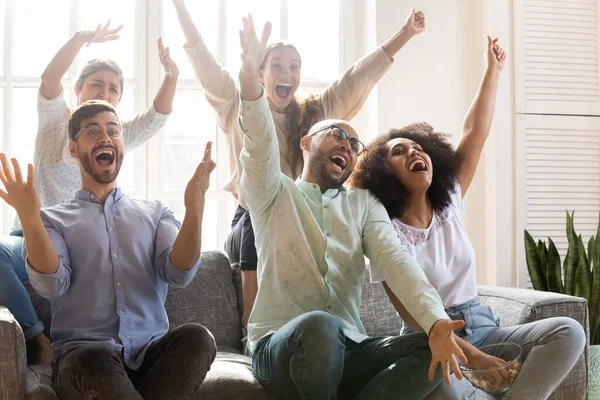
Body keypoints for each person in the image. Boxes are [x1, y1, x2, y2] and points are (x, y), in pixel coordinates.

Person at [236, 15, 469, 400]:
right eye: (338, 134)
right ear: (307, 143)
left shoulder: (363, 205)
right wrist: (249, 84)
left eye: (354, 144)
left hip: (349, 346)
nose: (347, 145)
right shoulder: (272, 192)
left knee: (434, 348)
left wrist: (435, 322)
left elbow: (396, 260)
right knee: (320, 326)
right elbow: (258, 144)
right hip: (278, 345)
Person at [350, 37, 586, 400]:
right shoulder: (384, 231)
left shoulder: (449, 202)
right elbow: (413, 315)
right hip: (430, 338)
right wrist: (469, 356)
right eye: (400, 151)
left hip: (482, 325)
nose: (414, 151)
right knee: (445, 387)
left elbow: (474, 132)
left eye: (418, 147)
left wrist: (493, 71)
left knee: (569, 331)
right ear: (384, 172)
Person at [172, 0, 427, 326]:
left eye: (294, 66)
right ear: (261, 72)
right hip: (249, 219)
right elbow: (203, 61)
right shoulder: (237, 103)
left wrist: (406, 33)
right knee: (254, 218)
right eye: (276, 65)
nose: (286, 73)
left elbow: (356, 79)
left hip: (301, 221)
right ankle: (253, 328)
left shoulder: (314, 117)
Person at [0, 100, 217, 400]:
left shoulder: (155, 213)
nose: (105, 138)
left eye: (113, 131)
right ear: (73, 150)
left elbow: (178, 273)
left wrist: (195, 211)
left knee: (198, 338)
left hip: (149, 358)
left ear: (122, 144)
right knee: (94, 357)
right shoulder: (52, 219)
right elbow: (52, 282)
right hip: (83, 361)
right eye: (93, 132)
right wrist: (29, 216)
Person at [0, 20, 178, 365]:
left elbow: (158, 116)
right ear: (78, 89)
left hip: (90, 238)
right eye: (97, 84)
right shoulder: (57, 118)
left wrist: (170, 76)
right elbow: (49, 79)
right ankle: (39, 339)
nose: (105, 92)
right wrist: (84, 38)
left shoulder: (114, 133)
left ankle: (146, 347)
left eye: (114, 89)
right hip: (40, 235)